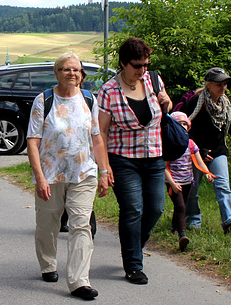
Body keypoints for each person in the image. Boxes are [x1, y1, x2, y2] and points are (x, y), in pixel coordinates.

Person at [27, 52, 112, 300]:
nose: (71, 73)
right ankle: (48, 264)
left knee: (81, 224)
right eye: (66, 69)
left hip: (83, 173)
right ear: (56, 73)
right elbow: (33, 143)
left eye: (76, 69)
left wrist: (104, 171)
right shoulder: (44, 100)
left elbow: (97, 138)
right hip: (51, 175)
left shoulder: (88, 99)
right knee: (47, 224)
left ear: (81, 74)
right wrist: (40, 177)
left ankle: (79, 281)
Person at [97, 37, 171, 285]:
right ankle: (133, 265)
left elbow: (166, 106)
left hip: (154, 157)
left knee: (156, 208)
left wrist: (167, 103)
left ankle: (134, 246)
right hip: (123, 160)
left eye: (146, 65)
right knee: (133, 209)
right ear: (123, 63)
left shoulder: (153, 80)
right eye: (137, 65)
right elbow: (102, 132)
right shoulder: (108, 90)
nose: (142, 70)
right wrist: (104, 167)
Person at [181, 67, 231, 234]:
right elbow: (185, 128)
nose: (223, 88)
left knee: (223, 186)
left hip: (218, 151)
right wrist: (201, 150)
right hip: (196, 152)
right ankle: (193, 220)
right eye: (219, 84)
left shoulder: (225, 103)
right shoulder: (196, 102)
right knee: (193, 189)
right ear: (208, 85)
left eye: (225, 84)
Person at [164, 112, 215, 251]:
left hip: (188, 181)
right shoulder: (168, 144)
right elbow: (164, 167)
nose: (183, 126)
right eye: (179, 124)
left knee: (182, 206)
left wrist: (207, 173)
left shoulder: (191, 144)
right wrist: (172, 184)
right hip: (173, 182)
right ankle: (182, 235)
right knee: (180, 206)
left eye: (185, 124)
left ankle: (174, 227)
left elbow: (199, 162)